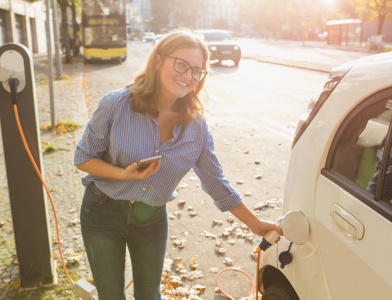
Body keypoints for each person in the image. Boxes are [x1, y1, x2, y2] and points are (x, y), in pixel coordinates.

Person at [74, 27, 282, 300]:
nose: (188, 76)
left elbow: (216, 183)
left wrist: (254, 224)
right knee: (111, 296)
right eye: (181, 65)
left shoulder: (195, 126)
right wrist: (122, 175)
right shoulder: (116, 104)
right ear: (159, 61)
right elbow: (83, 158)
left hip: (151, 220)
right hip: (102, 212)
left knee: (150, 296)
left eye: (197, 70)